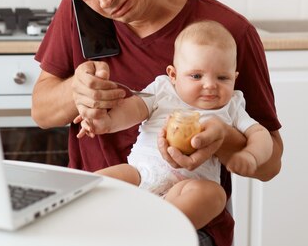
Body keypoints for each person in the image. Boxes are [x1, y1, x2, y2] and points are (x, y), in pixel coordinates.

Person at [32, 0, 283, 246]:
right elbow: (41, 112)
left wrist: (222, 138)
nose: (104, 0)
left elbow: (271, 164)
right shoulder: (82, 11)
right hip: (103, 217)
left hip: (187, 223)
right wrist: (76, 92)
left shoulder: (226, 33)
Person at [74, 20, 273, 230]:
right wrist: (104, 121)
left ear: (235, 78)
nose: (210, 85)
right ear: (173, 75)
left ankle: (156, 231)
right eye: (196, 76)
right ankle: (89, 225)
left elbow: (260, 133)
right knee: (96, 184)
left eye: (223, 77)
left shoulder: (232, 105)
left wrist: (251, 155)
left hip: (186, 188)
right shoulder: (163, 89)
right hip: (140, 173)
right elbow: (133, 109)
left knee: (215, 195)